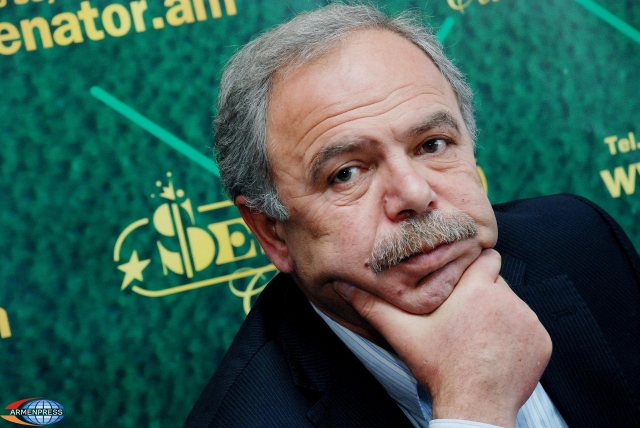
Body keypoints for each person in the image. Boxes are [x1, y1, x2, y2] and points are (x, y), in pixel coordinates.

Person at [184, 4, 640, 427]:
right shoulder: (246, 418)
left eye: (432, 145)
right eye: (346, 174)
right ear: (273, 233)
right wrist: (474, 408)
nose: (415, 194)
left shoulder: (580, 240)